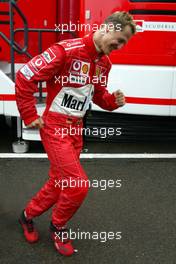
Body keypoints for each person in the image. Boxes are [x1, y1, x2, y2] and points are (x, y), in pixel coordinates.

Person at [15, 11, 136, 256]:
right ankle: (58, 226)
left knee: (59, 182)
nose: (120, 46)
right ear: (107, 27)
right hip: (56, 127)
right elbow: (24, 76)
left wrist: (113, 101)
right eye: (120, 39)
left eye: (125, 43)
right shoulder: (65, 50)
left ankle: (27, 215)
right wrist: (29, 115)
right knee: (77, 185)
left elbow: (98, 94)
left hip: (76, 130)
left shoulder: (105, 63)